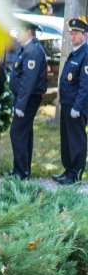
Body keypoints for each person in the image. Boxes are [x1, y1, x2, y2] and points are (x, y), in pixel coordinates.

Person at [8, 20, 47, 180]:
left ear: (29, 32)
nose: (17, 34)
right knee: (24, 133)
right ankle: (23, 170)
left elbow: (28, 81)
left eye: (20, 31)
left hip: (28, 99)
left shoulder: (32, 51)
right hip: (26, 98)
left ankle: (21, 172)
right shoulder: (29, 49)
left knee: (16, 132)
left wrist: (20, 105)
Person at [53, 18, 88, 184]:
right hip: (67, 104)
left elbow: (85, 85)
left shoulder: (85, 55)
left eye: (76, 34)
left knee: (76, 140)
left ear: (85, 35)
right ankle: (68, 171)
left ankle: (75, 174)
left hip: (76, 106)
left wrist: (77, 106)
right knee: (67, 140)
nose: (72, 36)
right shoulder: (75, 53)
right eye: (71, 33)